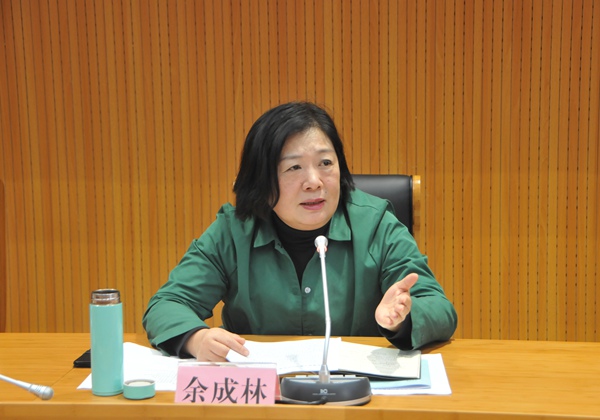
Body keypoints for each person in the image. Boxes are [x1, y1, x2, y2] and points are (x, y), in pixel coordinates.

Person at [143, 101, 457, 362]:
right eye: (294, 167)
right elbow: (167, 304)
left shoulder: (376, 225)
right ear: (261, 180)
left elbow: (438, 308)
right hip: (264, 398)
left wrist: (402, 318)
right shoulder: (234, 230)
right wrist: (197, 339)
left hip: (357, 395)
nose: (314, 182)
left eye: (325, 163)